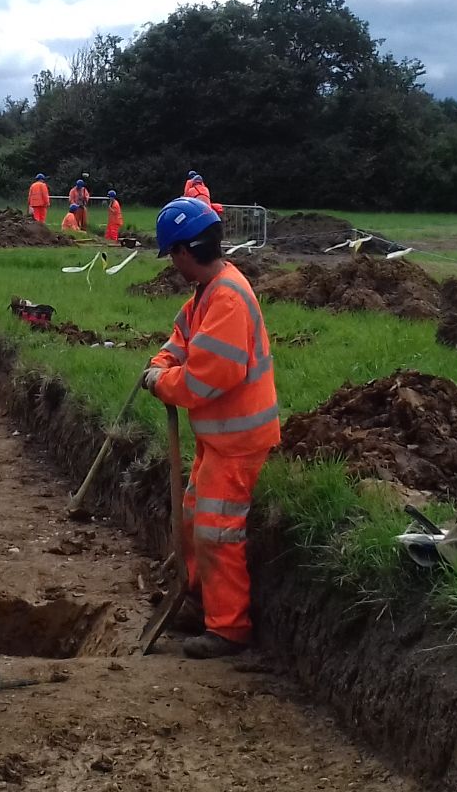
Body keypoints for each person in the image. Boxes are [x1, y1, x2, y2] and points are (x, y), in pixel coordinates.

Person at [142, 198, 278, 659]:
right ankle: (196, 596)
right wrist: (162, 362)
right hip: (217, 436)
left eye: (172, 255)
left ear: (184, 252)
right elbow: (182, 340)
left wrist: (162, 384)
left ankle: (228, 628)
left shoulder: (228, 299)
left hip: (238, 441)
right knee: (194, 519)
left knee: (217, 531)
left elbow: (205, 379)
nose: (172, 263)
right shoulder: (206, 292)